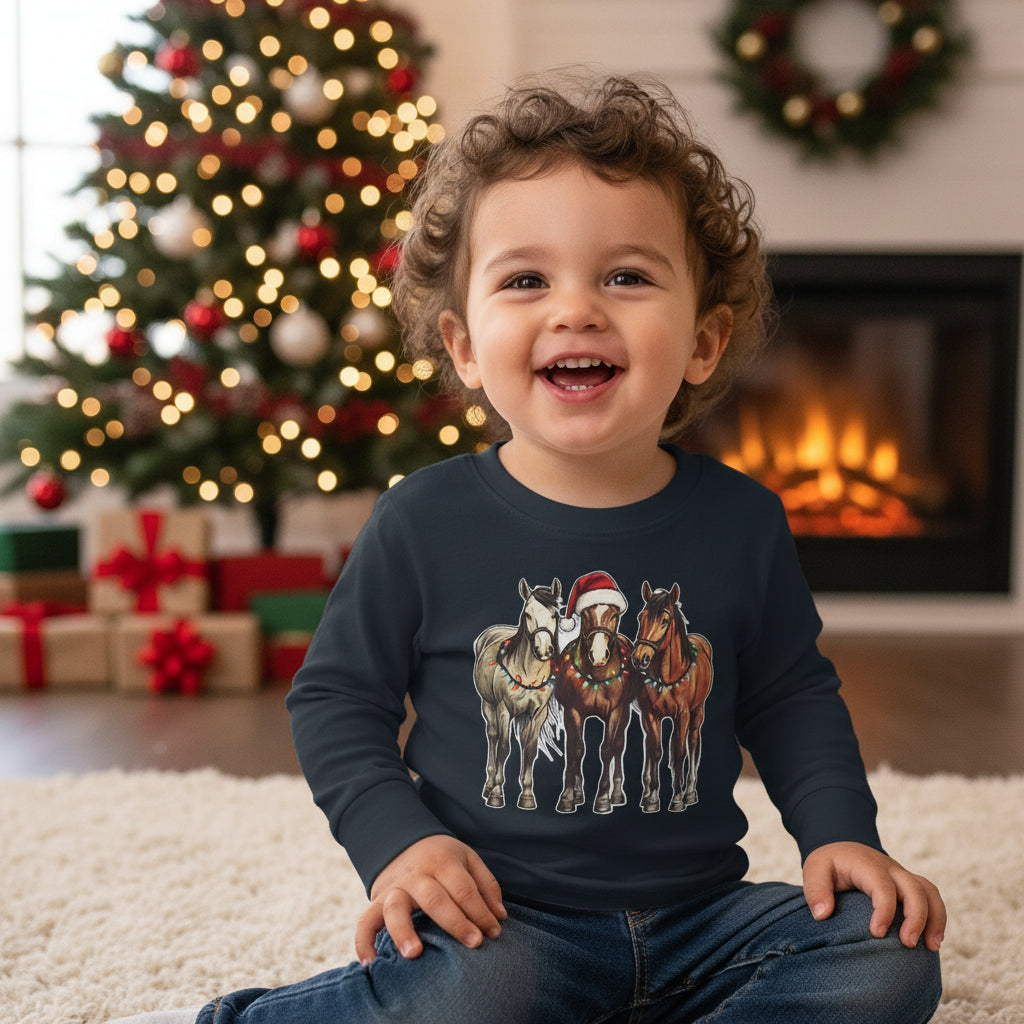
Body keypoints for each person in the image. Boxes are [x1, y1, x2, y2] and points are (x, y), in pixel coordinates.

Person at [107, 72, 944, 1024]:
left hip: (703, 918)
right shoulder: (422, 520)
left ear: (704, 341)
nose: (576, 309)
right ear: (466, 348)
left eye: (626, 276)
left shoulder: (743, 519)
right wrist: (400, 846)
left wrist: (844, 836)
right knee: (482, 991)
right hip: (504, 924)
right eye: (526, 279)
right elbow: (337, 698)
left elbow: (792, 694)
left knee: (888, 957)